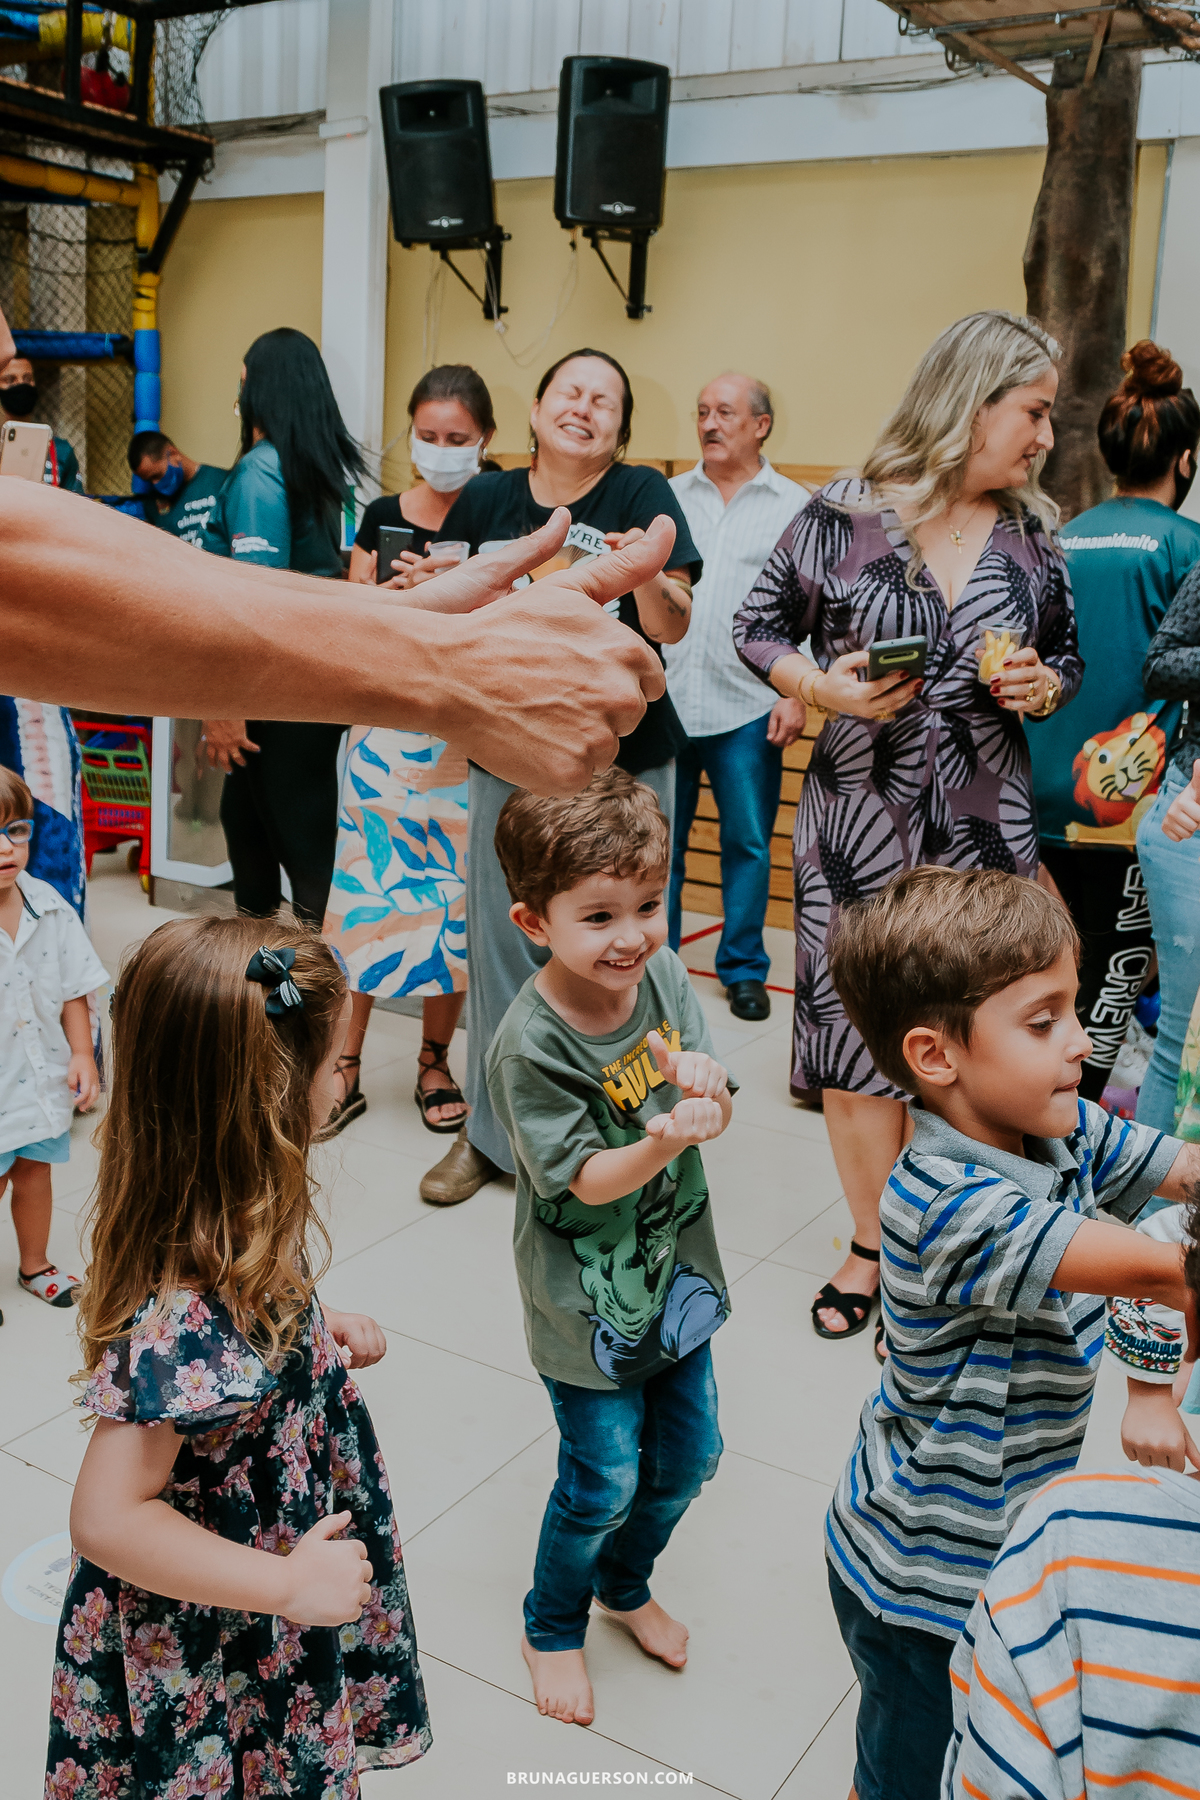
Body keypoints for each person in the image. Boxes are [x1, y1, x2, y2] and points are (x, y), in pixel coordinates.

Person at [733, 310, 1082, 1356]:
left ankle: (961, 1243)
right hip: (858, 829)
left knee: (978, 1046)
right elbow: (754, 627)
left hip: (987, 832)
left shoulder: (1034, 533)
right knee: (856, 1053)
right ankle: (874, 1246)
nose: (1047, 436)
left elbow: (1065, 659)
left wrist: (1040, 685)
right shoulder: (841, 513)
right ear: (971, 401)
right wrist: (817, 685)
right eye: (1034, 412)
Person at [824, 865, 1200, 1800]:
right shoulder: (938, 1201)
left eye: (1073, 1009)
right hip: (920, 1571)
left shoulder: (1060, 1126)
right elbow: (1159, 1268)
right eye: (1043, 1023)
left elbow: (1182, 1170)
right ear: (935, 1056)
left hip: (1007, 1534)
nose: (1081, 1041)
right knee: (910, 1771)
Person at [45, 914, 430, 1793]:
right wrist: (287, 1589)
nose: (343, 1082)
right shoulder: (178, 1313)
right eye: (337, 1064)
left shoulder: (227, 1215)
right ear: (269, 1097)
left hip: (268, 1582)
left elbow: (235, 1354)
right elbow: (108, 1517)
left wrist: (312, 1333)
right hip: (222, 1619)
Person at [419, 348, 702, 1206]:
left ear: (620, 428)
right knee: (506, 938)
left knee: (634, 941)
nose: (586, 407)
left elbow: (675, 622)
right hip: (506, 744)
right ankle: (492, 1138)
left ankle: (638, 1135)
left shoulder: (643, 495)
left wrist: (649, 576)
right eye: (571, 392)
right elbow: (451, 606)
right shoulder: (491, 498)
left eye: (606, 400)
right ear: (538, 410)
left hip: (625, 750)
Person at [487, 771, 732, 1728]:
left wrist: (701, 1083)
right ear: (534, 922)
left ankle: (622, 1587)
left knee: (693, 1456)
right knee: (603, 1478)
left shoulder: (657, 974)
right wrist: (670, 1132)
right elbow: (582, 1180)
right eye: (599, 915)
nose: (632, 934)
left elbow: (695, 1073)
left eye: (646, 904)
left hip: (680, 1273)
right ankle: (551, 1625)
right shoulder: (530, 1045)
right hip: (584, 1302)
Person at [321, 365, 497, 1136]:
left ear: (486, 439)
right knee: (366, 895)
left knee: (450, 902)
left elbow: (512, 620)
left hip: (464, 731)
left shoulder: (502, 513)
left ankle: (434, 1058)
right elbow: (352, 616)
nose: (441, 451)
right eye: (428, 437)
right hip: (385, 731)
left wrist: (461, 584)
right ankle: (343, 1059)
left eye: (457, 439)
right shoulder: (383, 512)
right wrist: (394, 596)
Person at [1030, 340, 1200, 1102]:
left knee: (1074, 960)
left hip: (1042, 788)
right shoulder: (1188, 547)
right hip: (1127, 803)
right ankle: (1075, 1129)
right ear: (1187, 460)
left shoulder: (1065, 534)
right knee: (1114, 971)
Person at [199, 327, 366, 929]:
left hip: (274, 692)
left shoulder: (260, 472)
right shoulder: (322, 476)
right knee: (249, 827)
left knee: (301, 854)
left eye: (244, 382)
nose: (239, 397)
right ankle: (260, 992)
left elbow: (254, 601)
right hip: (313, 687)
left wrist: (224, 703)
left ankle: (315, 999)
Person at [665, 373, 808, 1021]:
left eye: (724, 411)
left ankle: (744, 968)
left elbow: (821, 609)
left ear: (762, 424)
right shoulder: (666, 497)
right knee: (655, 845)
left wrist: (798, 688)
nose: (710, 423)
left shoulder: (795, 507)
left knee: (747, 841)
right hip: (662, 702)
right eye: (702, 412)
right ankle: (654, 965)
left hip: (749, 706)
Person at [0, 767, 103, 1322]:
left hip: (39, 1082)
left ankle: (34, 1265)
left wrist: (83, 1054)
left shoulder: (51, 907)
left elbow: (73, 992)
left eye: (16, 830)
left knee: (35, 1175)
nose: (5, 848)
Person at [126, 428, 228, 547]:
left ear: (173, 453)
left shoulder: (222, 482)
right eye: (149, 480)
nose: (155, 484)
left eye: (157, 475)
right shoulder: (152, 506)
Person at [0, 354, 83, 491]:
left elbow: (76, 506)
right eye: (10, 380)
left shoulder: (61, 451)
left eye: (27, 379)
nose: (21, 384)